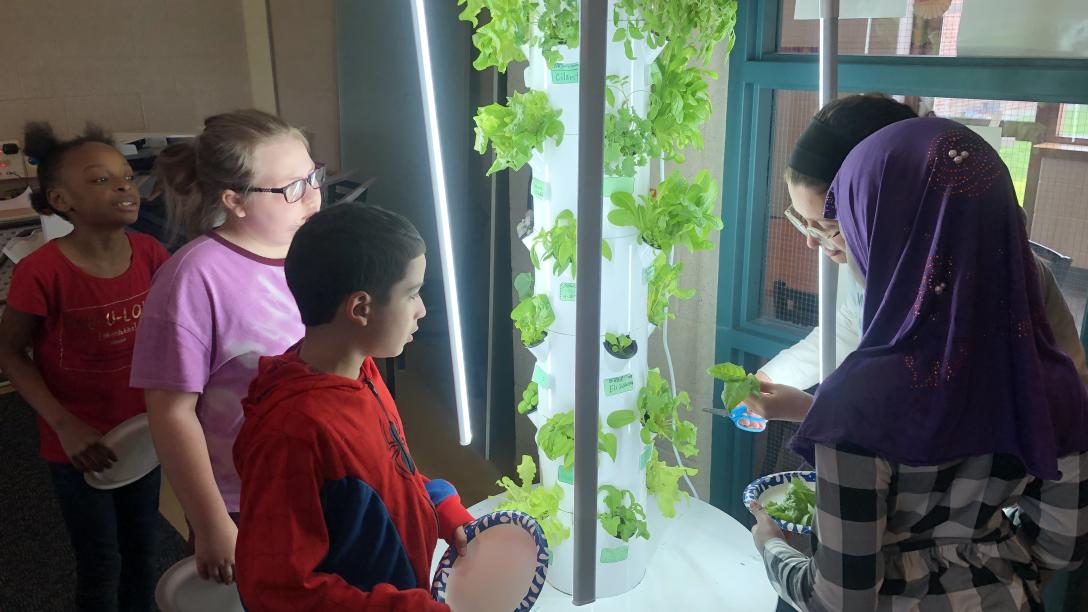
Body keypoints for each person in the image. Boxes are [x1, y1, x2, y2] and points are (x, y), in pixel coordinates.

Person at [751, 117, 1088, 610]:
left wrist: (770, 544)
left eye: (831, 224)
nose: (820, 243)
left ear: (877, 222)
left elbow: (839, 601)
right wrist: (984, 558)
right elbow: (1062, 546)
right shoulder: (1051, 382)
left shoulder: (854, 407)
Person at [751, 94, 1088, 424]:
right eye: (801, 221)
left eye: (827, 227)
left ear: (889, 210)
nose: (812, 241)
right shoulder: (890, 260)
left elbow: (934, 430)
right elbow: (850, 327)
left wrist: (813, 413)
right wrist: (769, 378)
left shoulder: (975, 288)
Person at [233, 203, 473, 610]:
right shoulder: (295, 431)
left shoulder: (363, 371)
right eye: (412, 293)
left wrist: (438, 503)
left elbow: (388, 474)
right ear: (360, 308)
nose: (422, 310)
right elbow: (276, 589)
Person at [129, 109, 320, 584]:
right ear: (234, 200)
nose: (314, 199)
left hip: (322, 478)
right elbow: (171, 412)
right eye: (292, 189)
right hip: (245, 499)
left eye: (314, 177)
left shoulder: (316, 253)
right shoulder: (193, 279)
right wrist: (212, 521)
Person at [0, 122, 170, 611]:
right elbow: (9, 350)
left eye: (123, 176)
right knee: (100, 560)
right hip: (77, 443)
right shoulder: (43, 271)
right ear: (61, 200)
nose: (122, 185)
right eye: (100, 179)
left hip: (141, 431)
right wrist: (62, 423)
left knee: (143, 548)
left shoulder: (151, 253)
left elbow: (168, 336)